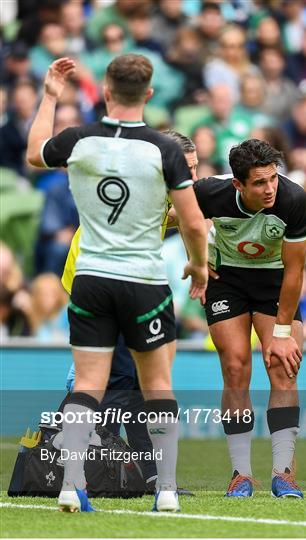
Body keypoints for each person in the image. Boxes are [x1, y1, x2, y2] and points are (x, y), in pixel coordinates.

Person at [26, 54, 208, 513]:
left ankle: (71, 484)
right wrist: (200, 267)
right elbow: (192, 223)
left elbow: (34, 152)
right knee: (158, 386)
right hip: (143, 281)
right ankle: (165, 490)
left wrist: (50, 96)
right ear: (148, 94)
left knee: (87, 385)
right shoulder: (164, 150)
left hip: (91, 279)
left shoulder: (80, 140)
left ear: (106, 91)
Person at [169, 139, 306, 498]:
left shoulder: (293, 200)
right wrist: (198, 260)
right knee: (235, 368)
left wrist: (281, 332)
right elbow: (182, 218)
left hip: (275, 280)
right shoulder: (209, 193)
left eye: (273, 178)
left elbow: (295, 272)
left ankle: (284, 474)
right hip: (227, 280)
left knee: (283, 365)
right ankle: (241, 475)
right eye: (259, 183)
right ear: (238, 184)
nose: (269, 188)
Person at [60, 129, 200, 496]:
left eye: (196, 169)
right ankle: (86, 469)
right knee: (120, 383)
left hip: (102, 281)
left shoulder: (142, 182)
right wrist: (198, 263)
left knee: (137, 386)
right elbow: (187, 218)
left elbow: (177, 216)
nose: (193, 177)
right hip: (105, 286)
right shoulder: (150, 191)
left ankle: (147, 474)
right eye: (188, 168)